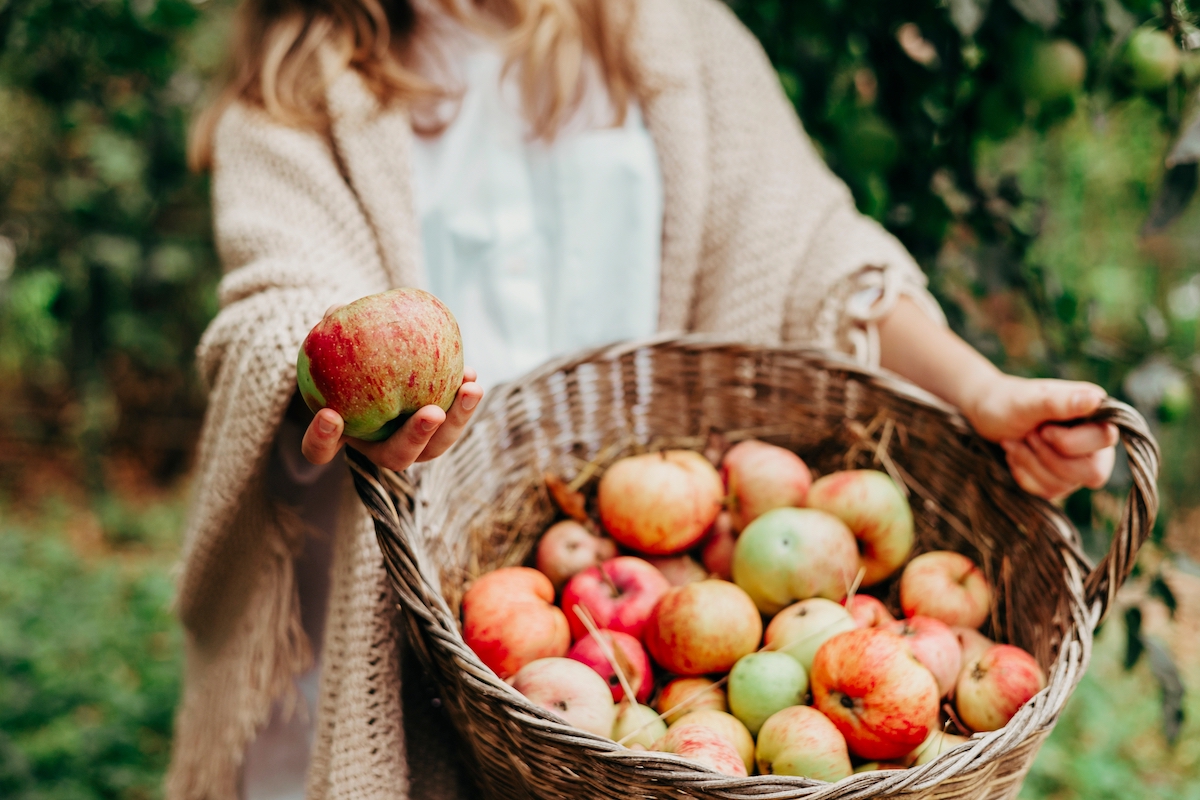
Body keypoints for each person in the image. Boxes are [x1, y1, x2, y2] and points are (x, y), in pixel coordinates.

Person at [168, 1, 1119, 798]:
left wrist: (978, 387)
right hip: (417, 571)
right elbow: (280, 295)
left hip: (650, 540)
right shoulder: (292, 96)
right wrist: (334, 377)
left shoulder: (668, 32)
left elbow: (809, 248)